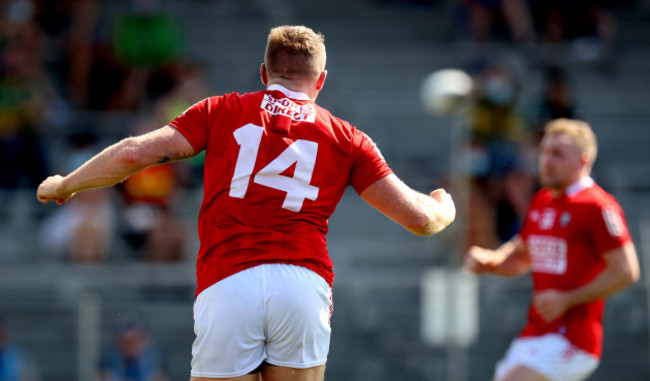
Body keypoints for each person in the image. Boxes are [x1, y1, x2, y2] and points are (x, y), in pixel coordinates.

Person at [36, 25, 456, 381]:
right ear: (321, 80)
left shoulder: (220, 110)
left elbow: (133, 153)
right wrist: (446, 204)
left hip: (228, 279)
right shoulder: (347, 138)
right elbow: (420, 219)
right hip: (302, 283)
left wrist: (66, 184)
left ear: (263, 72)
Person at [464, 118, 639, 381]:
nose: (546, 160)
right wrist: (490, 260)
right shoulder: (542, 200)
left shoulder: (597, 205)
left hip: (573, 340)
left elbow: (626, 271)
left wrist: (568, 299)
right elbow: (522, 255)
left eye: (557, 154)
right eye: (544, 152)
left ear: (582, 161)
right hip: (536, 332)